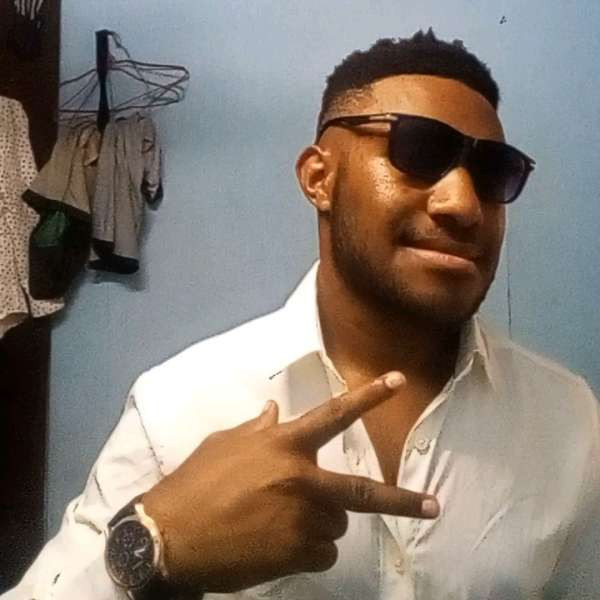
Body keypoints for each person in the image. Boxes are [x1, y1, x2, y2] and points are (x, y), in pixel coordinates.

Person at [5, 29, 600, 600]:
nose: (464, 204)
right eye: (419, 151)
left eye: (494, 173)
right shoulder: (180, 408)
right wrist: (160, 548)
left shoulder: (569, 420)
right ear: (320, 177)